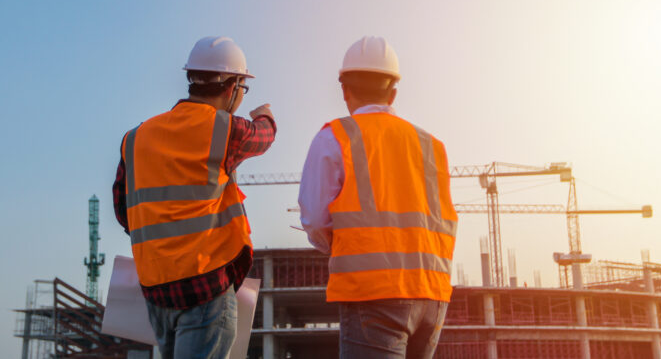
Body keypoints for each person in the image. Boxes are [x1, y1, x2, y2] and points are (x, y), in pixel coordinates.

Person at [112, 36, 276, 358]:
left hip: (156, 290)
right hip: (206, 290)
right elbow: (263, 136)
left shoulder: (136, 137)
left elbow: (123, 210)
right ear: (232, 89)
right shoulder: (223, 130)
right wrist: (266, 114)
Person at [298, 36, 458, 359]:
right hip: (432, 295)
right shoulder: (432, 145)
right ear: (394, 92)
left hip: (373, 294)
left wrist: (348, 247)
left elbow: (315, 218)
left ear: (344, 90)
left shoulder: (335, 137)